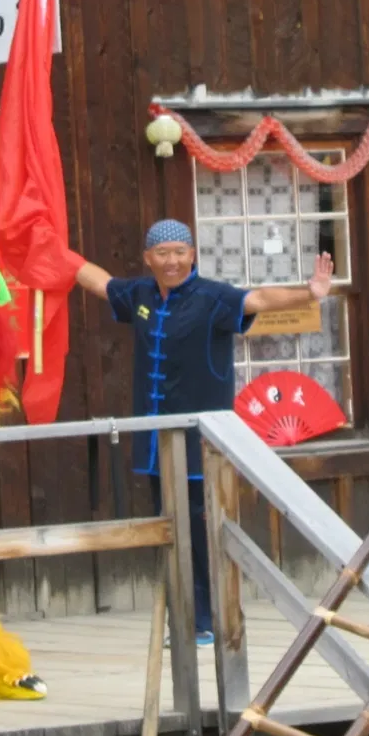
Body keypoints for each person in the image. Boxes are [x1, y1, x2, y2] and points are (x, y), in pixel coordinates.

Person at [77, 219, 335, 646]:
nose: (172, 261)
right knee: (168, 529)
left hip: (201, 443)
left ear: (193, 255)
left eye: (181, 252)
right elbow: (101, 283)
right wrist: (52, 256)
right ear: (148, 258)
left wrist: (310, 293)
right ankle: (182, 620)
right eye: (163, 253)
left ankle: (206, 621)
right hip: (156, 442)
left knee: (200, 532)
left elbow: (258, 298)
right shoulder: (140, 294)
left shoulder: (212, 298)